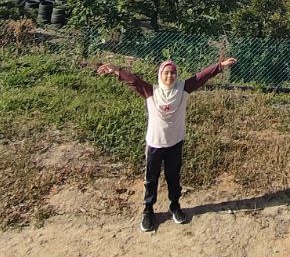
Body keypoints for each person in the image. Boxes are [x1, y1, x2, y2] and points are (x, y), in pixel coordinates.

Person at [96, 55, 238, 232]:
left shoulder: (183, 89)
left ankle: (175, 206)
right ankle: (148, 210)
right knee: (151, 179)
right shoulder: (151, 91)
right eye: (166, 73)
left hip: (175, 143)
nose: (170, 76)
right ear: (160, 74)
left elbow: (201, 77)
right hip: (155, 144)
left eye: (173, 73)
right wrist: (116, 69)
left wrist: (220, 66)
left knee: (173, 177)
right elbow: (133, 80)